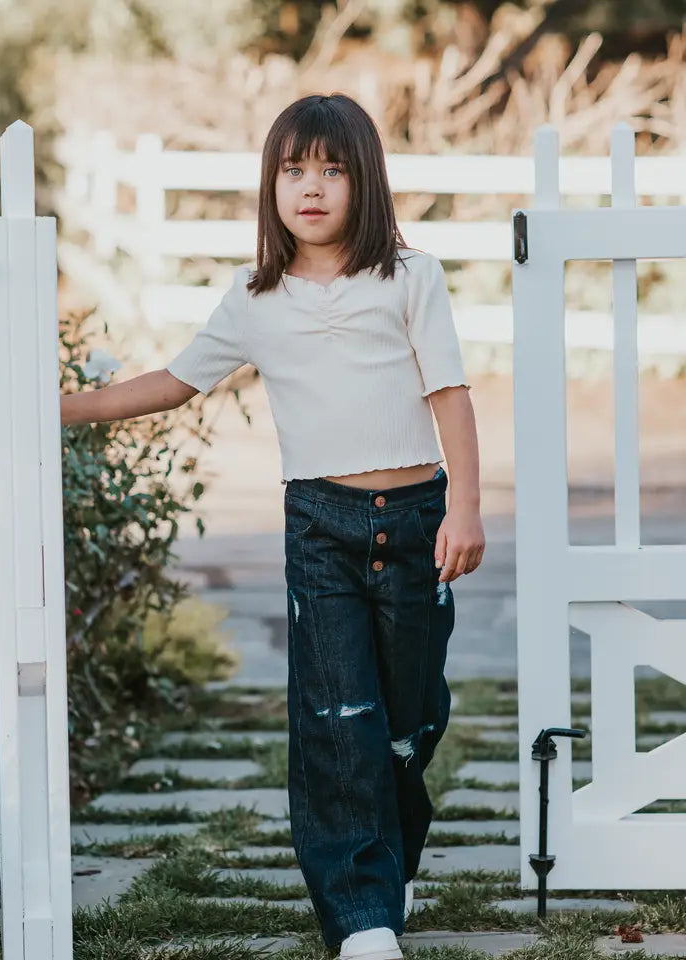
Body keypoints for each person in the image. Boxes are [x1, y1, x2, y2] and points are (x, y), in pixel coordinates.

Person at [61, 92, 485, 960]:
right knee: (339, 716)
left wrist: (468, 508)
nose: (314, 188)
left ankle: (391, 842)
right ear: (272, 186)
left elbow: (450, 393)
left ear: (365, 181)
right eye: (294, 170)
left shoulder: (411, 277)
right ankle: (363, 917)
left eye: (333, 169)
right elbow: (175, 381)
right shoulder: (255, 300)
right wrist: (62, 405)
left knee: (408, 717)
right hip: (320, 527)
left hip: (414, 522)